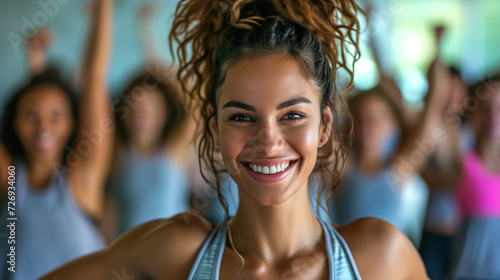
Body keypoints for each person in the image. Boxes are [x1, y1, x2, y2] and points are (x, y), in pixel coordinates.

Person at [41, 0, 428, 279]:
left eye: (292, 115)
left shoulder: (381, 256)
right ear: (214, 127)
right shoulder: (176, 251)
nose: (268, 140)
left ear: (325, 125)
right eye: (242, 117)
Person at [0, 0, 113, 279]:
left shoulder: (80, 181)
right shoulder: (10, 182)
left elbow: (94, 79)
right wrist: (36, 65)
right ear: (14, 123)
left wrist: (103, 7)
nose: (43, 128)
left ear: (71, 124)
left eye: (55, 117)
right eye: (31, 117)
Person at [448, 76, 500, 279]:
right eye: (486, 108)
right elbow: (436, 122)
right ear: (473, 113)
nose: (494, 116)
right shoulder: (461, 161)